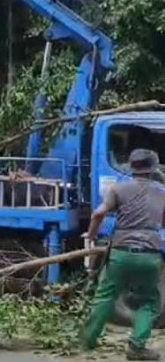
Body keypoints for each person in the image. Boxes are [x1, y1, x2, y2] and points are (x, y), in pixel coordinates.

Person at [83, 149, 165, 361]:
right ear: (154, 168)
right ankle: (137, 347)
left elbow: (99, 213)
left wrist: (91, 235)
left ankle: (87, 342)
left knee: (105, 296)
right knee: (150, 302)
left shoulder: (117, 189)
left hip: (120, 253)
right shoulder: (163, 192)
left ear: (130, 166)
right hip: (150, 255)